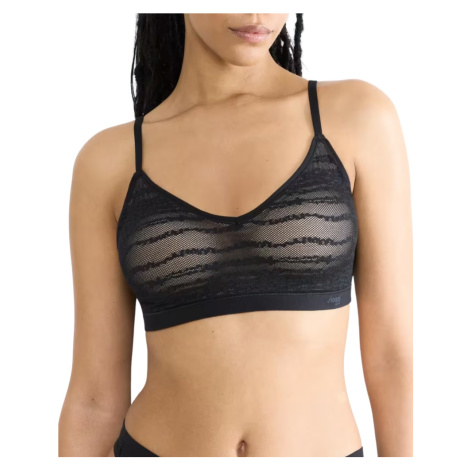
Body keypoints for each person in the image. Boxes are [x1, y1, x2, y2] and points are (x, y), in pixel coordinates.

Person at [58, 13, 413, 457]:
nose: (257, 14)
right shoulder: (110, 161)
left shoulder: (356, 118)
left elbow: (391, 357)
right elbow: (93, 399)